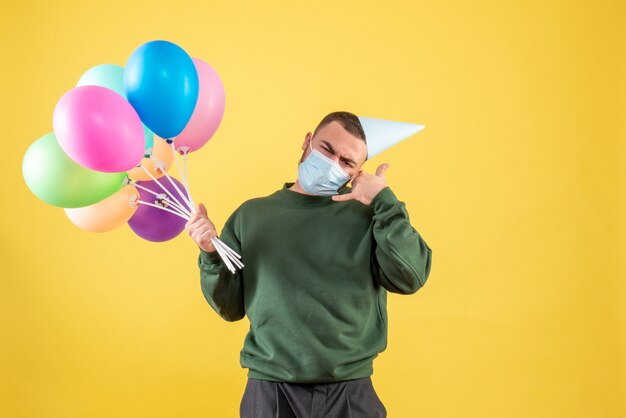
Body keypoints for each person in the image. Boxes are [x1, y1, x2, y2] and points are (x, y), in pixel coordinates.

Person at [185, 111, 433, 417]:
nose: (332, 164)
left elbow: (411, 276)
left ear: (358, 173)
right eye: (327, 149)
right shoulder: (251, 216)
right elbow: (230, 307)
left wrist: (385, 201)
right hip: (271, 391)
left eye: (347, 162)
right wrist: (210, 252)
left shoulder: (369, 217)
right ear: (307, 142)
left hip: (350, 391)